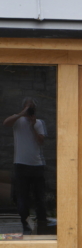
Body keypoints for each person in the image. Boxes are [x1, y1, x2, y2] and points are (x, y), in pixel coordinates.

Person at [3, 97, 47, 234]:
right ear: (24, 107)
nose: (30, 110)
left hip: (37, 165)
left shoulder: (39, 123)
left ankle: (42, 224)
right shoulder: (18, 121)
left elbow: (41, 141)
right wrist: (22, 113)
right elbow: (6, 123)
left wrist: (33, 125)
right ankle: (25, 224)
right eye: (28, 107)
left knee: (39, 196)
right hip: (21, 164)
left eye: (32, 107)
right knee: (22, 196)